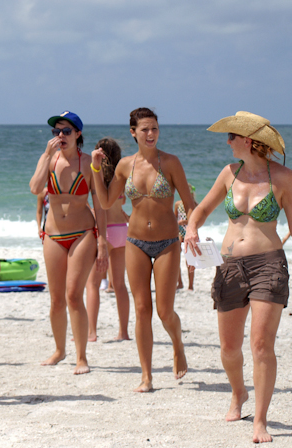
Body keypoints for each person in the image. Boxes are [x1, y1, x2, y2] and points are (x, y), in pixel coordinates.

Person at [184, 111, 292, 443]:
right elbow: (202, 209)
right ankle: (239, 393)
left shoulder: (283, 177)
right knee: (229, 348)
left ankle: (260, 421)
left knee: (261, 346)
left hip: (269, 265)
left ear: (247, 141)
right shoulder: (229, 174)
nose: (227, 142)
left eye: (231, 137)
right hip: (230, 267)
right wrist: (192, 227)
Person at [91, 108, 194, 392]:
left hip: (167, 243)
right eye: (145, 129)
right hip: (135, 242)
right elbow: (107, 200)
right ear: (133, 132)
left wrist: (192, 230)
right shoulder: (125, 165)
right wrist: (96, 170)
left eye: (155, 129)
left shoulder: (171, 163)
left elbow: (189, 201)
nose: (151, 134)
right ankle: (146, 376)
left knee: (164, 311)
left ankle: (177, 344)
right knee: (141, 308)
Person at [29, 111, 108, 375]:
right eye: (56, 132)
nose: (60, 136)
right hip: (53, 234)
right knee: (55, 300)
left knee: (74, 294)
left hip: (83, 232)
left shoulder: (88, 163)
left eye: (65, 131)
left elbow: (100, 203)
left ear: (78, 134)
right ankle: (59, 350)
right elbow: (34, 188)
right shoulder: (48, 159)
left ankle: (81, 357)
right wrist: (45, 156)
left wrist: (103, 242)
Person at [85, 138, 130, 342]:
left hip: (104, 230)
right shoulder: (122, 176)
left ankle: (92, 332)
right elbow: (121, 203)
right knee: (120, 284)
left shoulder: (96, 174)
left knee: (93, 284)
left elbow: (97, 205)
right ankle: (123, 332)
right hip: (122, 229)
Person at [175, 184, 197, 290]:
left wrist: (186, 222)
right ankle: (179, 282)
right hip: (179, 232)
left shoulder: (195, 205)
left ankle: (191, 285)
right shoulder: (178, 204)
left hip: (190, 232)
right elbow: (174, 218)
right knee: (176, 258)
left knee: (190, 260)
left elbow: (198, 221)